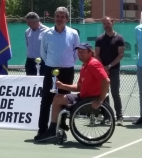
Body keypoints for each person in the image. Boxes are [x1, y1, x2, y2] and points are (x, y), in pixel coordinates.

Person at [36, 43, 110, 142]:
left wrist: (100, 101)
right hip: (82, 98)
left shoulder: (93, 64)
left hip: (88, 101)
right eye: (78, 52)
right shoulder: (85, 66)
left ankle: (53, 129)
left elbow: (106, 81)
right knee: (58, 98)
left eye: (83, 51)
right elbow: (79, 87)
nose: (80, 54)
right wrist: (63, 86)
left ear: (90, 52)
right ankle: (57, 128)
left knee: (58, 100)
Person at [34, 7, 80, 141]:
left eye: (62, 17)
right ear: (54, 17)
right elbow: (43, 53)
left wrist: (67, 62)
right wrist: (52, 63)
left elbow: (76, 53)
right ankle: (42, 130)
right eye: (58, 16)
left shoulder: (73, 33)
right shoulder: (47, 34)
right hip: (50, 70)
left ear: (66, 19)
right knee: (46, 101)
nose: (60, 19)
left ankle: (60, 130)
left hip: (67, 71)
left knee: (64, 101)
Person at [95, 16, 125, 126]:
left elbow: (120, 55)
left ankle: (119, 117)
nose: (106, 25)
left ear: (112, 23)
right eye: (104, 24)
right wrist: (103, 67)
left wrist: (109, 66)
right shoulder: (99, 39)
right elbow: (96, 54)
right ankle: (107, 116)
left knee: (115, 93)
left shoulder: (119, 38)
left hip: (114, 70)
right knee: (104, 94)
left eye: (108, 23)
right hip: (103, 71)